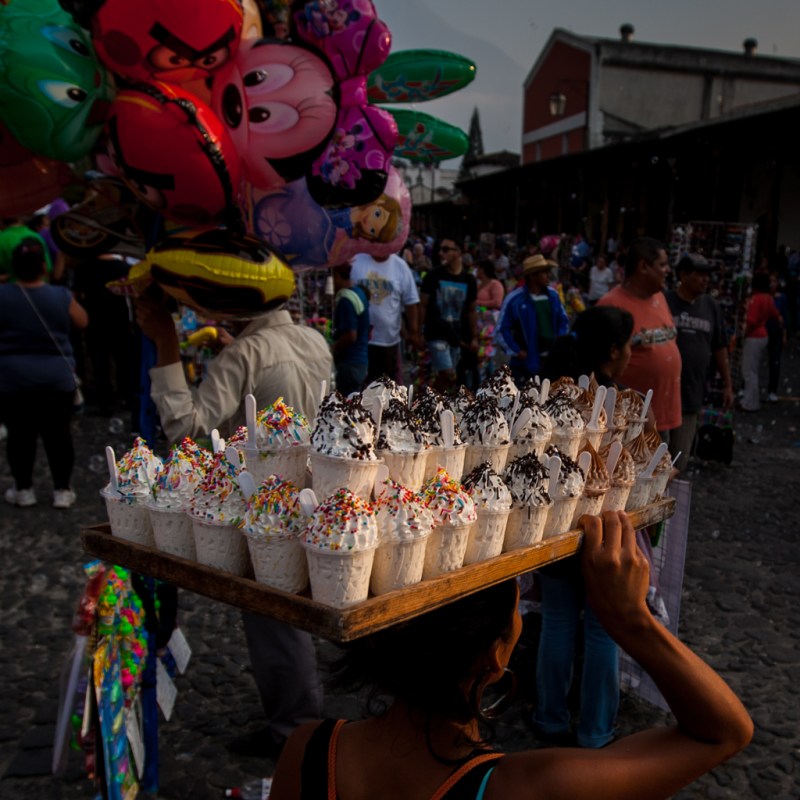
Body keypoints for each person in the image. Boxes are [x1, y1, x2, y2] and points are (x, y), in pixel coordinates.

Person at [270, 512, 753, 800]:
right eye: (516, 601)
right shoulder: (527, 789)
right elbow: (724, 733)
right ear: (494, 661)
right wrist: (633, 621)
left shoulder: (309, 751)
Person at [135, 280, 332, 759]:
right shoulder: (312, 339)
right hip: (315, 490)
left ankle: (295, 729)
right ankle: (302, 715)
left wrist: (164, 341)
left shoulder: (245, 355)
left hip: (265, 503)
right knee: (297, 606)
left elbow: (185, 425)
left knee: (273, 617)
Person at [536, 306, 634, 749]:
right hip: (604, 531)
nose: (632, 352)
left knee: (556, 621)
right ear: (613, 351)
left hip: (556, 526)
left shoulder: (552, 397)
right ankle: (596, 731)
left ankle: (550, 718)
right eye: (630, 343)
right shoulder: (615, 407)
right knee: (601, 628)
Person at [0, 238, 88, 508]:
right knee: (59, 436)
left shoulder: (3, 295)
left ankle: (23, 488)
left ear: (14, 267)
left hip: (13, 380)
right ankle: (62, 490)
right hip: (56, 380)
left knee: (19, 437)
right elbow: (82, 321)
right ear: (42, 266)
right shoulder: (60, 295)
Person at [597, 237, 682, 437]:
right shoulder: (611, 305)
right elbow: (600, 368)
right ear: (643, 266)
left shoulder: (660, 298)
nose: (667, 270)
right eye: (662, 264)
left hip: (667, 414)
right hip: (631, 424)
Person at [665, 254, 733, 471]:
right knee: (653, 460)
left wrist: (728, 384)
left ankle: (670, 503)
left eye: (707, 275)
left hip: (691, 395)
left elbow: (720, 347)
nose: (705, 279)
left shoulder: (710, 306)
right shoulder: (664, 302)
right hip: (662, 396)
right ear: (683, 275)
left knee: (679, 461)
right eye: (700, 274)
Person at [495, 254, 569, 385]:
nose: (548, 275)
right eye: (544, 272)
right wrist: (518, 351)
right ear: (533, 276)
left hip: (551, 360)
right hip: (525, 364)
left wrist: (560, 343)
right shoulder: (514, 300)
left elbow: (563, 320)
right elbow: (502, 329)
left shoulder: (553, 296)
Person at [350, 251, 421, 384]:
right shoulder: (356, 261)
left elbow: (411, 302)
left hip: (388, 341)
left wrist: (414, 332)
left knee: (384, 389)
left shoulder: (400, 266)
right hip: (360, 340)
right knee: (359, 388)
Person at [419, 238, 478, 393]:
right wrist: (418, 332)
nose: (440, 253)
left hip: (456, 335)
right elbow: (422, 305)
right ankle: (425, 403)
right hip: (436, 333)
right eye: (440, 249)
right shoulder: (433, 276)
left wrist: (474, 336)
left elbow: (472, 310)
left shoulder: (469, 280)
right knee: (448, 374)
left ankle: (429, 402)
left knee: (449, 378)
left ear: (458, 252)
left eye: (446, 249)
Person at [739, 271, 782, 412]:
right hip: (763, 335)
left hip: (754, 336)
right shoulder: (768, 298)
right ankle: (751, 401)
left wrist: (743, 332)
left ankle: (750, 402)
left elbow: (751, 320)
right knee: (753, 370)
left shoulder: (756, 299)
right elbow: (776, 316)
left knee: (749, 371)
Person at [331, 262, 370, 397]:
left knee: (347, 408)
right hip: (360, 361)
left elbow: (351, 335)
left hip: (350, 363)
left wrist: (332, 348)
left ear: (336, 276)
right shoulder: (358, 292)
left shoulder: (346, 300)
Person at [766, 271, 789, 403]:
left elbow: (784, 317)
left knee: (775, 362)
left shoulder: (782, 298)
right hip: (765, 331)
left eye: (774, 281)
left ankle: (772, 390)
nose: (772, 284)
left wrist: (784, 334)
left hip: (776, 333)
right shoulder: (766, 297)